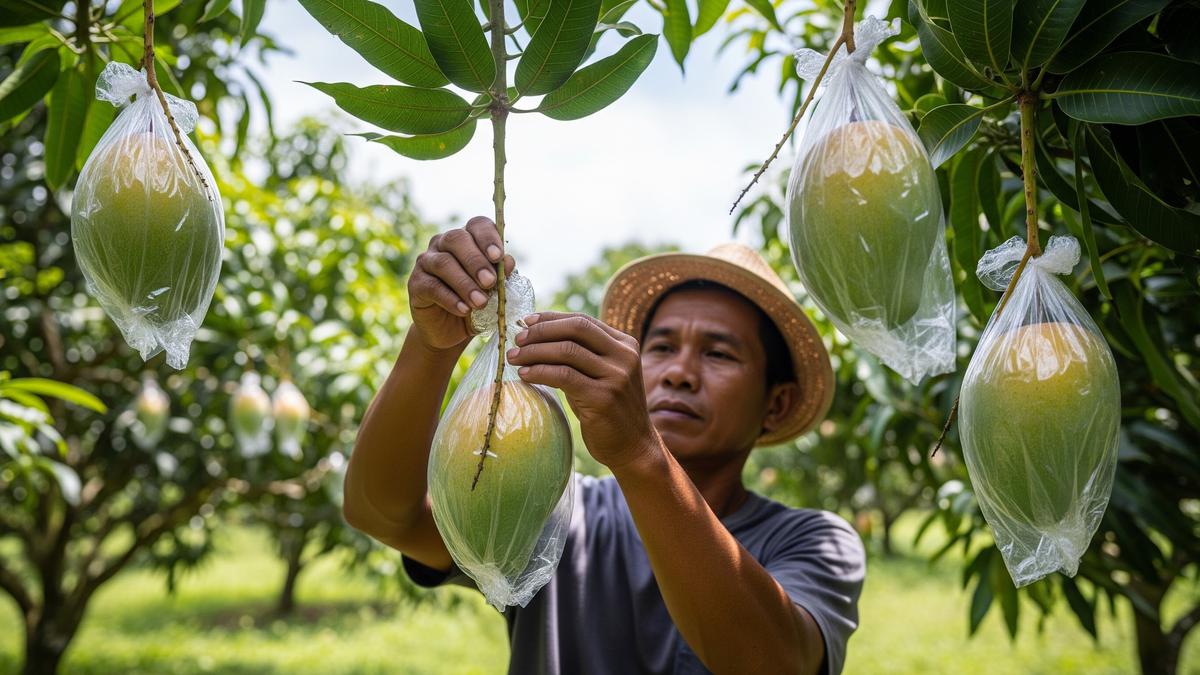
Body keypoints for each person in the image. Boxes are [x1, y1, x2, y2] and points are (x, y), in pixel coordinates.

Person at [345, 216, 866, 675]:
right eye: (661, 347)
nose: (680, 373)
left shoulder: (814, 543)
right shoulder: (559, 514)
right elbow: (384, 515)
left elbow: (775, 664)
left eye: (719, 354)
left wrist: (640, 453)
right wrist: (431, 346)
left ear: (776, 404)